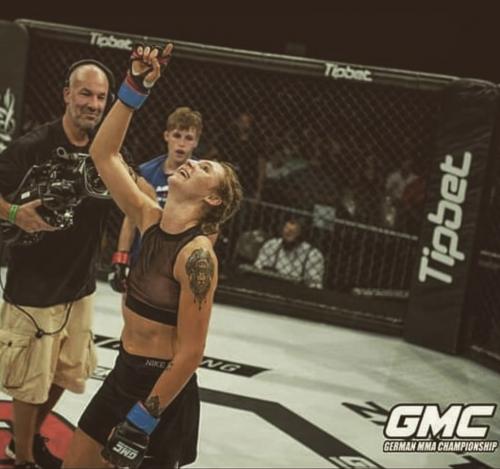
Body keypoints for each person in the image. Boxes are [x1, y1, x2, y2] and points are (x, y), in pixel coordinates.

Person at [63, 43, 242, 469]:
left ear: (213, 199)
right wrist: (134, 88)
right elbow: (102, 154)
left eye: (205, 169)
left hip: (162, 390)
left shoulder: (197, 257)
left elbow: (191, 353)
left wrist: (144, 418)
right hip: (124, 371)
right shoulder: (149, 218)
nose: (194, 162)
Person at [0, 59, 116, 469]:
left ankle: (23, 441)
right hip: (33, 285)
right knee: (30, 382)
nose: (93, 104)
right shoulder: (33, 145)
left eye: (101, 97)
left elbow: (131, 189)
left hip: (80, 283)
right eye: (85, 93)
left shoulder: (107, 149)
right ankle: (24, 460)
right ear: (67, 94)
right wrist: (15, 214)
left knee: (68, 372)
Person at [109, 106, 203, 293]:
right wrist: (121, 258)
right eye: (177, 135)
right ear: (166, 136)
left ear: (196, 142)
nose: (181, 144)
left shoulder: (201, 177)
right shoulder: (145, 172)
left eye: (188, 138)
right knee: (131, 305)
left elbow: (206, 224)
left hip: (178, 259)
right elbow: (131, 217)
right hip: (143, 256)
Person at [254, 218, 325, 289]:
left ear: (301, 235)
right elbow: (257, 268)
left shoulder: (312, 254)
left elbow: (315, 285)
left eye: (292, 233)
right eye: (286, 232)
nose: (288, 233)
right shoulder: (272, 245)